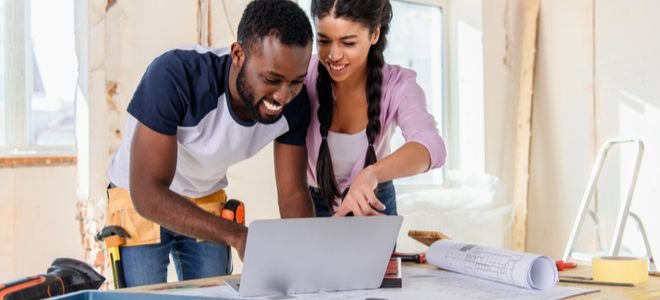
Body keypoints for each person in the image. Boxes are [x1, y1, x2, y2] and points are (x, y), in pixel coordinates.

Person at [105, 0, 314, 287]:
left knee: (216, 295)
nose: (283, 96)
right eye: (271, 79)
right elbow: (148, 193)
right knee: (144, 296)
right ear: (238, 55)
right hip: (138, 196)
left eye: (296, 81)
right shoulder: (175, 76)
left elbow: (293, 194)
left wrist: (308, 264)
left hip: (205, 195)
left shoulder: (295, 104)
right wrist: (237, 235)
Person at [306, 0, 446, 217]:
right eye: (323, 41)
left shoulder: (399, 85)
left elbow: (431, 147)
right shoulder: (303, 75)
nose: (333, 55)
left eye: (348, 43)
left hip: (373, 201)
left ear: (374, 34)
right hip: (312, 202)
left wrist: (372, 174)